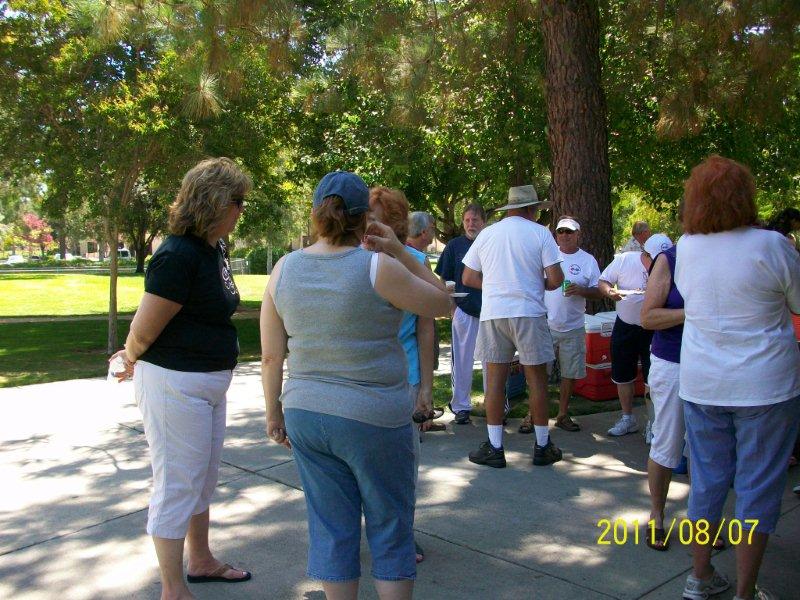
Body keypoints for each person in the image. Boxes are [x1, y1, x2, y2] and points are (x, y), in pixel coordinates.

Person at [261, 171, 450, 600]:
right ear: (365, 217)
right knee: (390, 527)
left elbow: (272, 356)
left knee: (331, 528)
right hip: (373, 415)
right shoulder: (377, 266)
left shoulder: (283, 269)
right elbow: (442, 303)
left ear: (316, 213)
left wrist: (274, 414)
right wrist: (399, 249)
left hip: (305, 412)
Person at [109, 157, 253, 599]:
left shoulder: (214, 248)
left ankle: (201, 559)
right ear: (216, 202)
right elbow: (144, 328)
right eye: (238, 201)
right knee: (177, 484)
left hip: (207, 384)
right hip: (174, 384)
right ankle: (173, 589)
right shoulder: (176, 255)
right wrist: (129, 356)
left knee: (203, 480)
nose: (241, 210)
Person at [675, 156, 800, 600]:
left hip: (702, 383)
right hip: (765, 386)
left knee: (706, 482)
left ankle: (700, 576)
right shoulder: (773, 246)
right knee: (757, 488)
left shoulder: (686, 247)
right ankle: (746, 592)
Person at [462, 184, 564, 468]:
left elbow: (468, 277)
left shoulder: (487, 234)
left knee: (495, 383)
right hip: (529, 312)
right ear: (532, 209)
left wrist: (497, 286)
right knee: (537, 381)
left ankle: (495, 447)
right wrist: (538, 283)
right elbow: (556, 278)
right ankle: (542, 445)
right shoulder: (540, 233)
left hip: (494, 313)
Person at [368, 191, 441, 564]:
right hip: (364, 377)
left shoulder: (415, 262)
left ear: (396, 223)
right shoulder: (354, 259)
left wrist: (426, 387)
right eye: (365, 216)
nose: (369, 225)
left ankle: (401, 535)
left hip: (405, 376)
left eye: (377, 218)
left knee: (403, 463)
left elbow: (426, 326)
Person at [598, 233, 672, 436]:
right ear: (645, 254)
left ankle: (653, 423)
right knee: (622, 374)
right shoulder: (625, 260)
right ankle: (627, 418)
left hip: (654, 329)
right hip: (626, 324)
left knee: (652, 377)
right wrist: (610, 292)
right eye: (655, 259)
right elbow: (603, 281)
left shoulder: (670, 266)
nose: (658, 264)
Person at [640, 238, 685, 551]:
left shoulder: (730, 256)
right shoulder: (670, 259)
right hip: (673, 363)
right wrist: (691, 313)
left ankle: (705, 520)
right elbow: (648, 317)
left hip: (716, 365)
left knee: (709, 449)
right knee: (667, 441)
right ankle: (657, 515)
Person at [540, 216, 602, 433]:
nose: (564, 235)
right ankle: (533, 415)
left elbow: (599, 291)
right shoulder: (548, 255)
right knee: (538, 372)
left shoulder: (588, 260)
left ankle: (562, 414)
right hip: (545, 324)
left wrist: (581, 290)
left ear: (578, 234)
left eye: (569, 231)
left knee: (570, 373)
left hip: (574, 326)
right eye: (560, 231)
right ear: (556, 235)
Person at [434, 204, 487, 425]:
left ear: (484, 222)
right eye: (467, 220)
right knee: (462, 362)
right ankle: (461, 406)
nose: (470, 224)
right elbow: (444, 278)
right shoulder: (455, 246)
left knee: (494, 362)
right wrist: (452, 307)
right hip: (463, 310)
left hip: (491, 312)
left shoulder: (492, 243)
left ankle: (496, 406)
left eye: (475, 220)